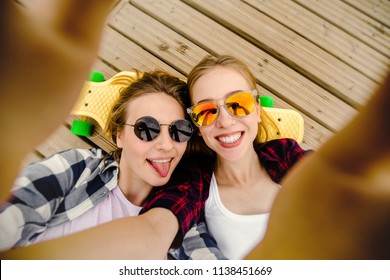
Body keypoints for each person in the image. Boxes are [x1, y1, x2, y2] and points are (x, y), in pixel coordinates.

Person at [0, 70, 210, 259]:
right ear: (119, 135)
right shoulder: (78, 168)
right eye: (147, 129)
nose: (166, 145)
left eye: (179, 131)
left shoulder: (183, 212)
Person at [174, 55, 309, 259]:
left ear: (257, 110)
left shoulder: (288, 157)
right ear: (197, 127)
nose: (225, 122)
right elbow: (160, 224)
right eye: (206, 111)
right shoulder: (195, 188)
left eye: (238, 104)